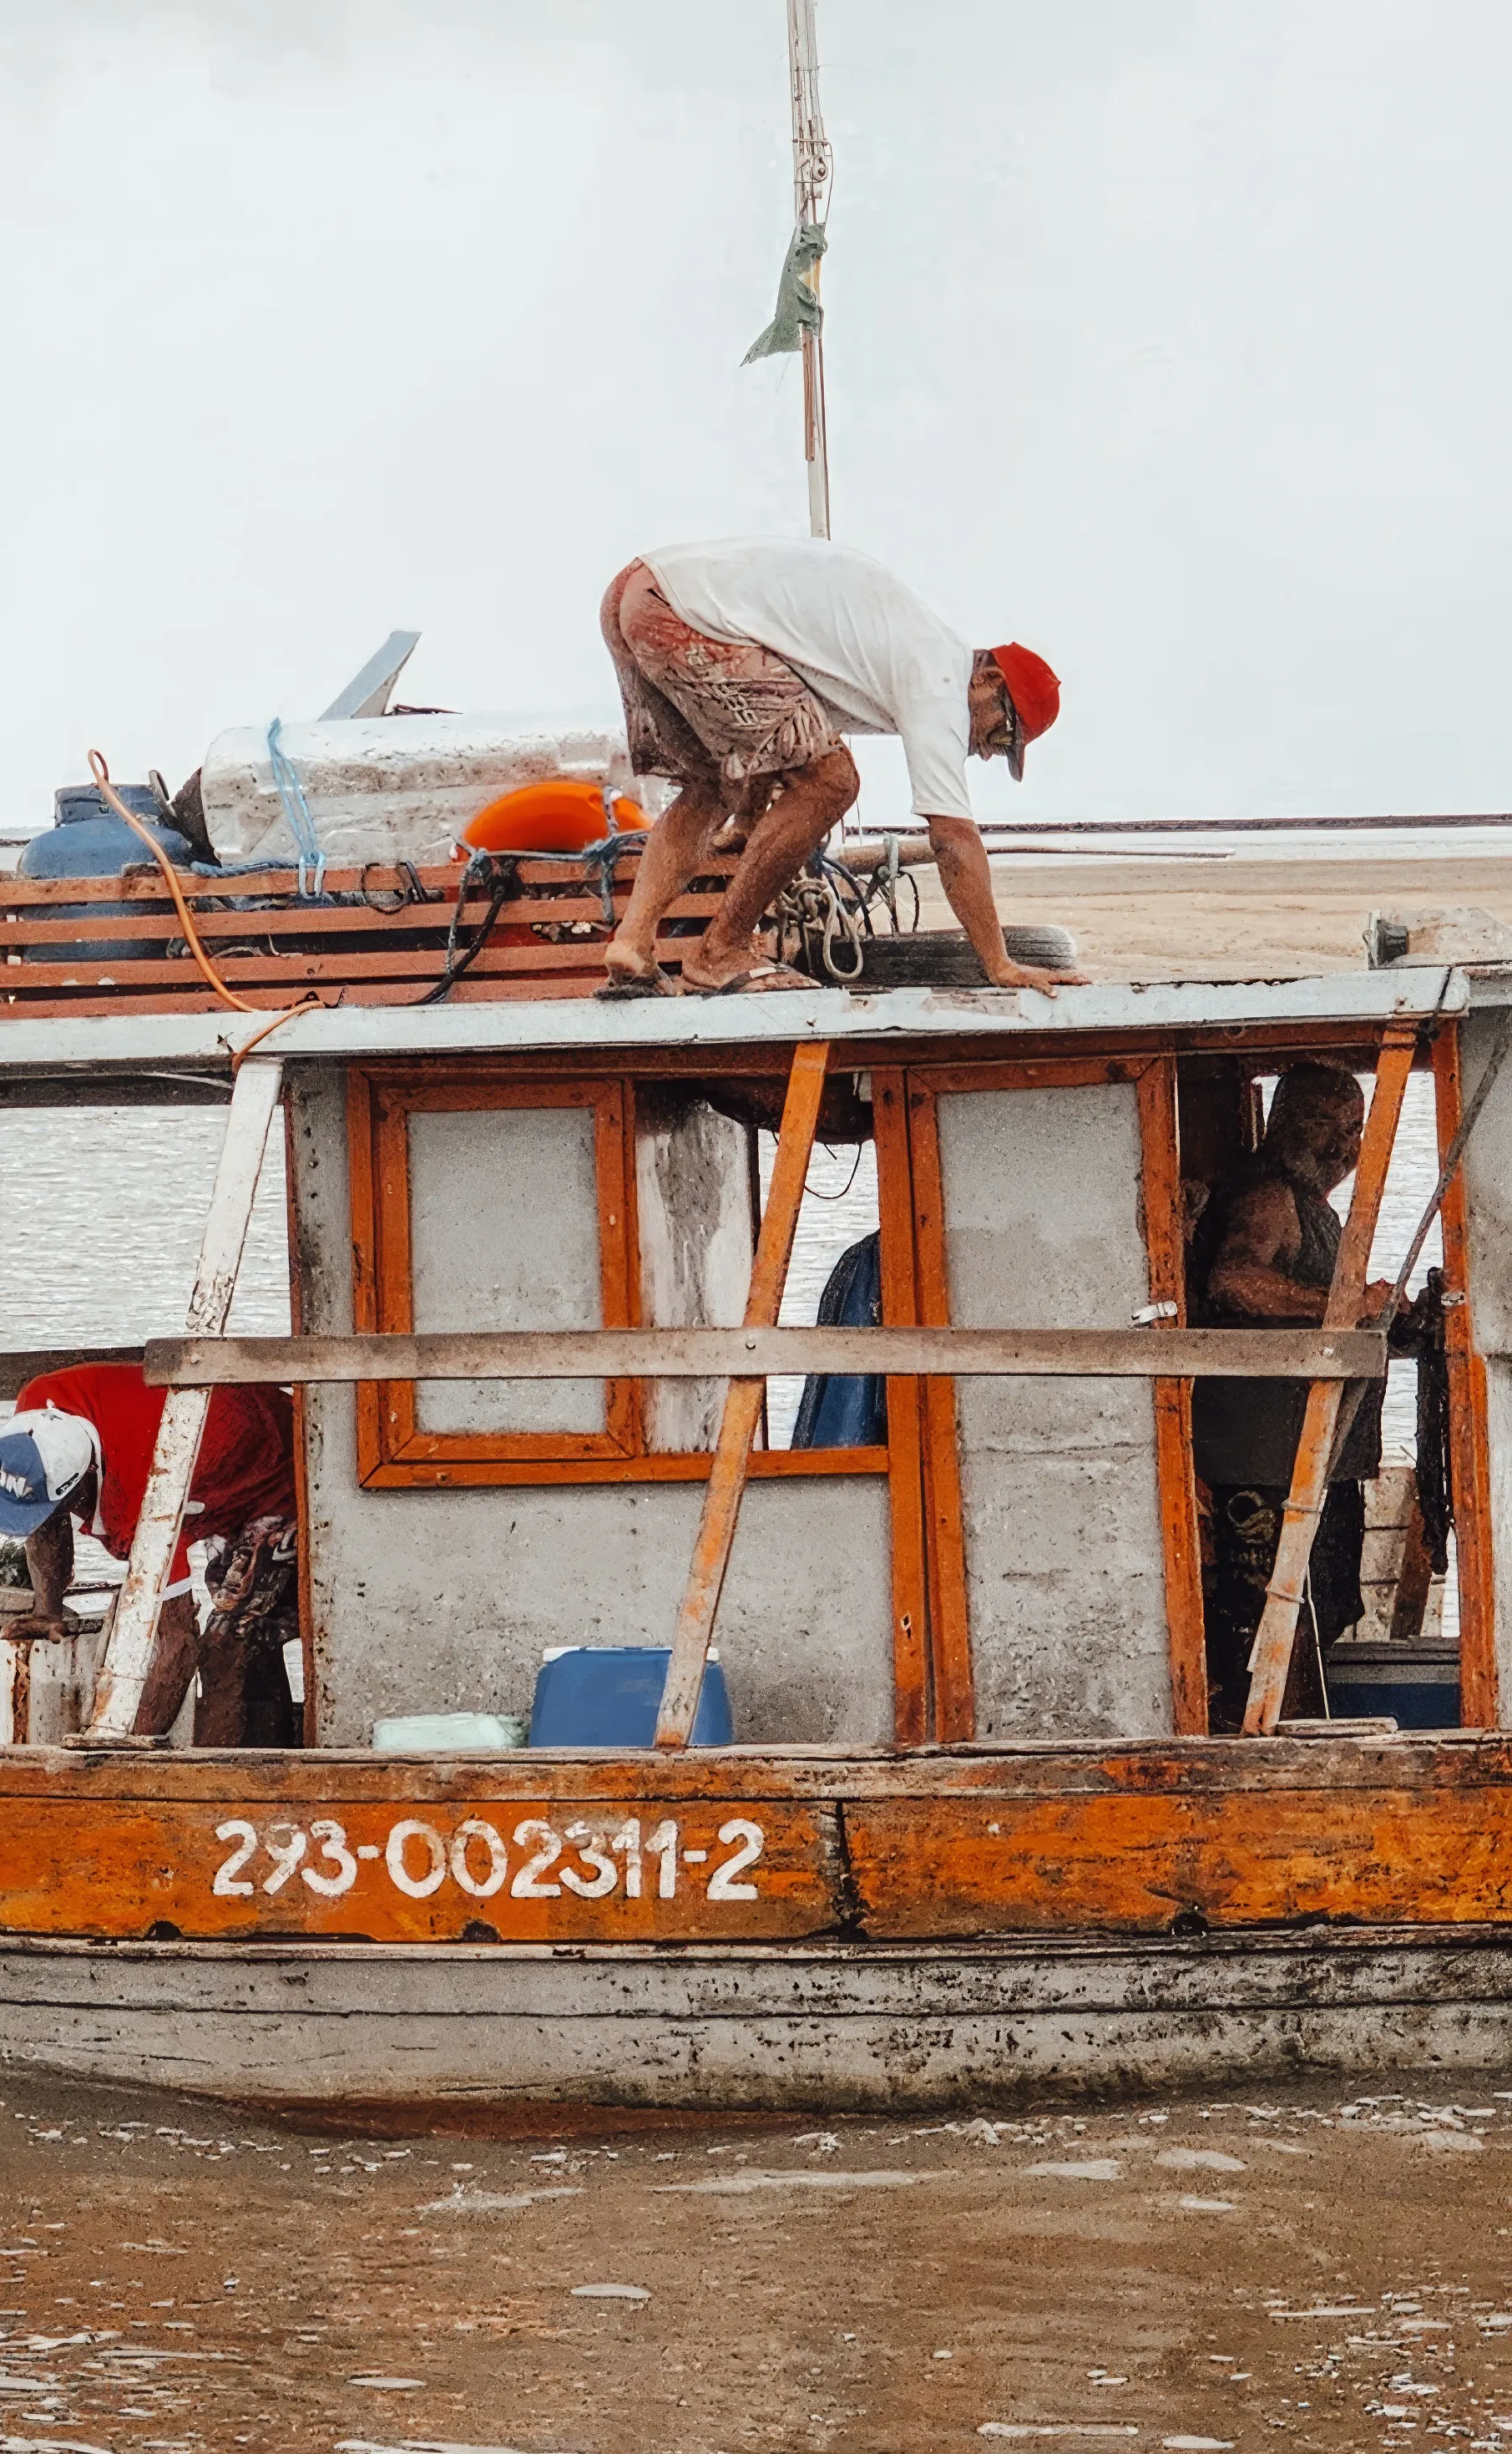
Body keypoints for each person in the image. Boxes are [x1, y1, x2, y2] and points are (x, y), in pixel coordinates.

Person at [592, 536, 1085, 1000]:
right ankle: (721, 953)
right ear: (988, 679)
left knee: (709, 787)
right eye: (1002, 735)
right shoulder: (940, 681)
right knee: (832, 781)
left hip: (637, 596)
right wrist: (999, 964)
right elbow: (953, 839)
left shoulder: (897, 647)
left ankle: (632, 944)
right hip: (688, 613)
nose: (987, 752)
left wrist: (748, 819)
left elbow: (762, 731)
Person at [1189, 1062, 1389, 1728]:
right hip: (1267, 1465)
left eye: (1353, 1129)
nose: (1341, 1145)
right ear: (1280, 1123)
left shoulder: (1316, 1209)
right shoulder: (1269, 1197)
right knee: (1277, 1614)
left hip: (1318, 1458)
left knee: (1319, 1607)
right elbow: (1234, 1281)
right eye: (1321, 1124)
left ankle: (1294, 1731)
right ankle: (1274, 1741)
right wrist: (1343, 1305)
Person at [0, 1359, 299, 1748]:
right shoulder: (34, 1411)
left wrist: (123, 1747)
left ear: (86, 1478)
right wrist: (47, 1611)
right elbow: (45, 1513)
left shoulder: (144, 1497)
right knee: (237, 1620)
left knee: (231, 1641)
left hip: (286, 1464)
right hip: (214, 1450)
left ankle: (249, 1768)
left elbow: (177, 1640)